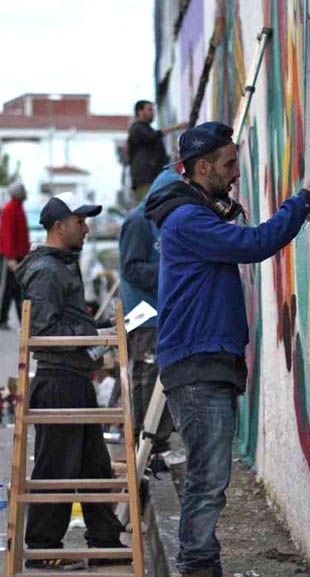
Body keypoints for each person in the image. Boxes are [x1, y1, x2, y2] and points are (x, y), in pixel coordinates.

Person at [144, 121, 310, 577]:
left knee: (210, 475)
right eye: (228, 165)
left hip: (204, 360)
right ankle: (197, 565)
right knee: (209, 478)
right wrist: (303, 198)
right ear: (203, 166)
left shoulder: (196, 213)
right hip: (197, 364)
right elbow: (255, 244)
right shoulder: (189, 220)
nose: (235, 174)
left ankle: (199, 561)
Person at [15, 192, 126, 571]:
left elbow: (67, 323)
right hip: (59, 379)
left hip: (74, 376)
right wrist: (92, 335)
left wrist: (102, 330)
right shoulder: (47, 271)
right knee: (57, 467)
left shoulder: (62, 264)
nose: (87, 227)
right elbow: (44, 330)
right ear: (60, 226)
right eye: (81, 221)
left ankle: (104, 541)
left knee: (94, 464)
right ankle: (44, 545)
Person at [119, 168, 179, 464]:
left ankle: (157, 438)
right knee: (147, 374)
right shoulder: (138, 222)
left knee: (162, 374)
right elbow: (131, 268)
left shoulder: (163, 221)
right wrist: (170, 274)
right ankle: (145, 438)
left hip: (161, 310)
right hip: (144, 314)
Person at [127, 100, 187, 202]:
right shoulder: (136, 129)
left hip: (154, 179)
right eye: (149, 110)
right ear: (140, 112)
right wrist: (177, 127)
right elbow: (152, 136)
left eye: (153, 110)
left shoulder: (147, 129)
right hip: (145, 181)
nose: (153, 113)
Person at [0, 182, 30, 330]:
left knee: (17, 288)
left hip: (19, 255)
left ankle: (21, 320)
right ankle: (3, 319)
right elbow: (8, 234)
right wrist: (10, 257)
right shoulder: (10, 209)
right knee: (9, 289)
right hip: (11, 256)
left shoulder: (18, 208)